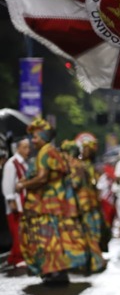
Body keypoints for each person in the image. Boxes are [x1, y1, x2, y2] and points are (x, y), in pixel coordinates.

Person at [15, 118, 89, 285]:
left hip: (45, 205)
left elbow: (41, 178)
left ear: (42, 137)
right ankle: (55, 271)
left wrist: (22, 184)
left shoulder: (45, 152)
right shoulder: (53, 151)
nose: (33, 141)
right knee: (56, 236)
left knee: (46, 238)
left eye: (35, 137)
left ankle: (54, 272)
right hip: (57, 204)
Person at [61, 139, 106, 273]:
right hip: (86, 204)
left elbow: (75, 184)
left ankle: (92, 262)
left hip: (81, 205)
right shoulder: (80, 165)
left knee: (84, 234)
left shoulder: (75, 166)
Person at [2, 137, 30, 272]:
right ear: (18, 148)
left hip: (23, 203)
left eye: (28, 147)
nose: (28, 150)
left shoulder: (24, 163)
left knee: (22, 231)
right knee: (17, 231)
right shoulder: (11, 164)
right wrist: (11, 199)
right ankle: (18, 258)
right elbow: (7, 185)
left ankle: (14, 257)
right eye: (25, 147)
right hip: (15, 204)